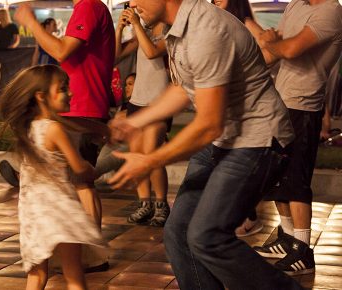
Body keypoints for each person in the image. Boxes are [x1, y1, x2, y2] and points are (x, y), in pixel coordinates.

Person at [108, 0, 303, 289]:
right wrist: (135, 121)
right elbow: (184, 88)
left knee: (207, 236)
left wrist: (150, 160)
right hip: (223, 140)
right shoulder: (179, 29)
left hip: (259, 140)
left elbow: (210, 123)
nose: (132, 3)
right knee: (178, 232)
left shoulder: (206, 28)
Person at [14, 0, 115, 273]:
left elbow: (61, 51)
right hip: (83, 106)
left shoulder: (89, 6)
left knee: (81, 183)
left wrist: (31, 22)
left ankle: (90, 255)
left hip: (81, 106)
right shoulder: (91, 8)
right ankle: (86, 254)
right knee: (78, 182)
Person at [253, 0, 342, 276]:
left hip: (303, 106)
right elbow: (275, 50)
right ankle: (288, 238)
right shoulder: (294, 5)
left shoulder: (330, 10)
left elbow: (289, 49)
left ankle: (303, 250)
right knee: (279, 176)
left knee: (296, 179)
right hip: (279, 100)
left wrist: (267, 41)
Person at [0, 64, 105, 290]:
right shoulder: (54, 129)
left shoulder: (27, 128)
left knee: (36, 276)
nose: (71, 93)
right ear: (41, 97)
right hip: (59, 211)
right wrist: (94, 170)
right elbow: (79, 168)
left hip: (32, 213)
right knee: (74, 275)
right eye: (64, 88)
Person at [212, 0, 264, 237]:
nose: (214, 0)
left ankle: (249, 215)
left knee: (236, 162)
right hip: (228, 105)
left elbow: (267, 47)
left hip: (248, 104)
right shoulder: (216, 25)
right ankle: (239, 212)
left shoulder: (244, 22)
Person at [115, 7, 171, 227]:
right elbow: (116, 56)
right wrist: (119, 30)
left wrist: (137, 25)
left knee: (152, 154)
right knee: (137, 154)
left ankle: (161, 204)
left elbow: (153, 52)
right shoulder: (143, 29)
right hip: (137, 101)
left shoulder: (171, 29)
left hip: (159, 102)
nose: (138, 8)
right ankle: (144, 203)